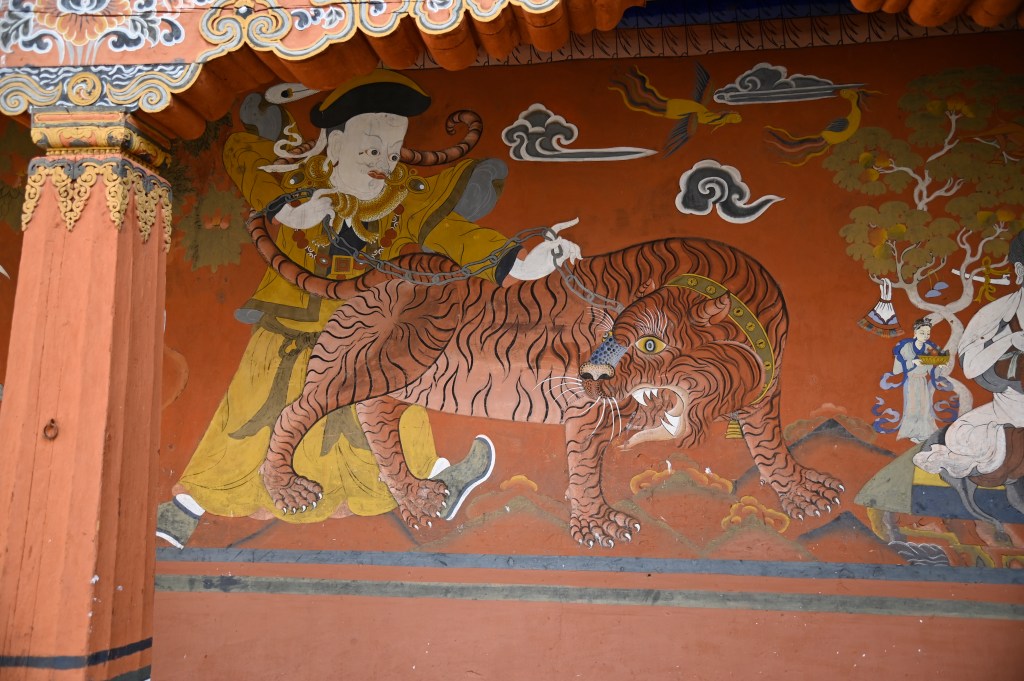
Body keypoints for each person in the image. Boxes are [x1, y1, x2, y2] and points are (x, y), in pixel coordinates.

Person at [157, 70, 580, 548]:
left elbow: (456, 236)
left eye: (392, 152)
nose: (383, 163)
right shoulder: (299, 181)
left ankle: (433, 481)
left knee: (394, 403)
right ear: (335, 144)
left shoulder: (405, 197)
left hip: (372, 333)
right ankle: (186, 508)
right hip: (291, 324)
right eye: (370, 150)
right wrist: (287, 209)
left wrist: (521, 265)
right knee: (253, 411)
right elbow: (240, 153)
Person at [914, 231, 1024, 488]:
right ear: (1020, 270)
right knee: (958, 436)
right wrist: (1009, 340)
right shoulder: (997, 313)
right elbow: (972, 366)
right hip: (1006, 409)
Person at [890, 318, 945, 443]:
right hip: (911, 381)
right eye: (922, 332)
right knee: (913, 408)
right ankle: (912, 432)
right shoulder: (906, 347)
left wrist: (940, 366)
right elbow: (896, 370)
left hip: (922, 382)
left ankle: (923, 434)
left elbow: (933, 372)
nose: (925, 336)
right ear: (915, 332)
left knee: (924, 408)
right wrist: (912, 362)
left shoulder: (929, 348)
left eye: (928, 333)